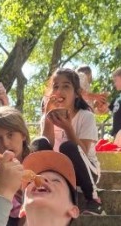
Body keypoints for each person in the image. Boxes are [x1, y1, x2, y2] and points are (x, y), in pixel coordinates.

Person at [35, 67, 104, 215]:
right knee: (39, 142)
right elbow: (46, 148)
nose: (59, 91)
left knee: (68, 147)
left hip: (87, 172)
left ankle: (93, 200)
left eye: (66, 86)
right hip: (61, 171)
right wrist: (48, 118)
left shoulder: (86, 116)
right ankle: (41, 193)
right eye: (56, 87)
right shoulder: (46, 118)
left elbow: (82, 151)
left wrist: (68, 128)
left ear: (76, 93)